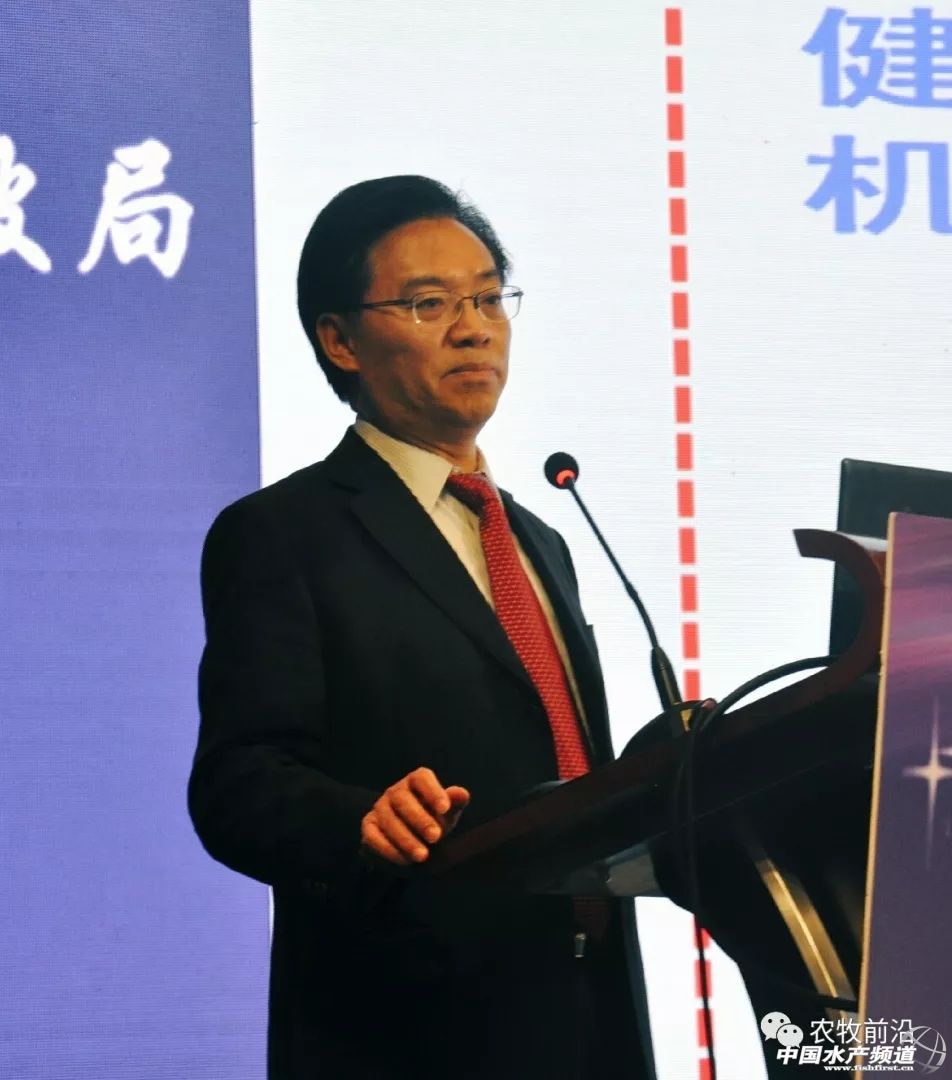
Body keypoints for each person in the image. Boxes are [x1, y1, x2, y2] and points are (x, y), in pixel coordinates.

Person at [188, 175, 655, 1079]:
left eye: (488, 298)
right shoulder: (284, 533)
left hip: (591, 1017)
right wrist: (359, 819)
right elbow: (237, 786)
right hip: (413, 1031)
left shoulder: (542, 539)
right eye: (429, 303)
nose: (474, 328)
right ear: (339, 340)